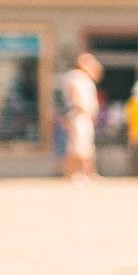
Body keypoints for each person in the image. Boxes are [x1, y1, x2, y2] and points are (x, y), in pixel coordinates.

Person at [61, 53, 101, 183]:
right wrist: (83, 109)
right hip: (79, 116)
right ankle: (73, 174)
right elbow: (75, 95)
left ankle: (88, 174)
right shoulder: (76, 77)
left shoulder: (85, 78)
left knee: (84, 147)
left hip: (85, 116)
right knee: (78, 148)